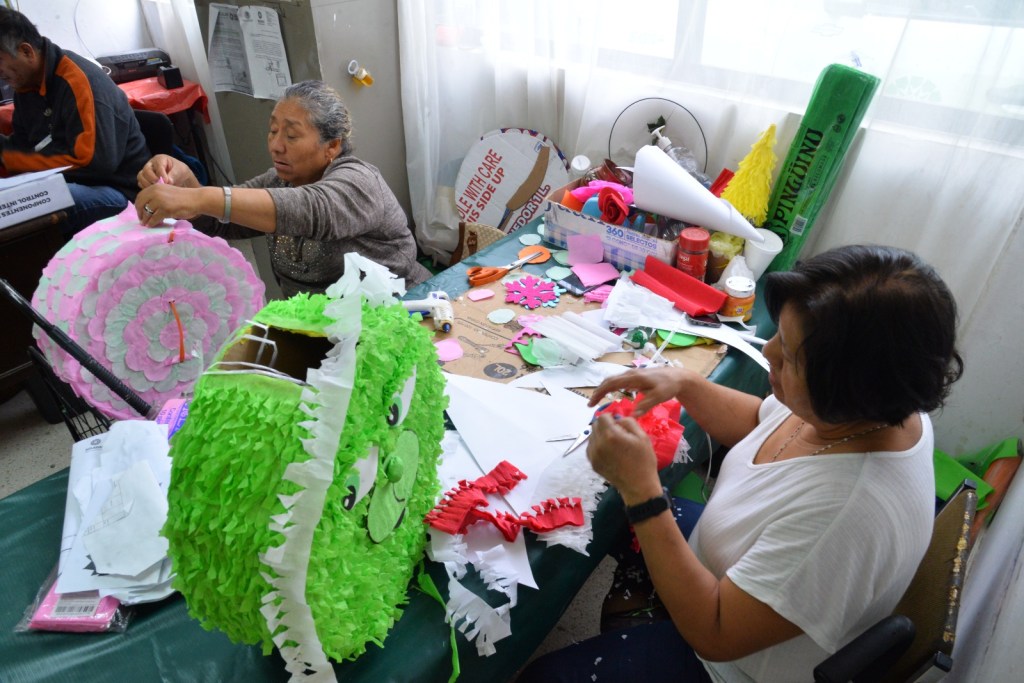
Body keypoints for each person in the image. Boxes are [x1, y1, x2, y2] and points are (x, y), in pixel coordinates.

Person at [520, 244, 964, 682]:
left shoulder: (845, 515)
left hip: (725, 663)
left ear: (845, 391)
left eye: (788, 355)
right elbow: (760, 420)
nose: (767, 351)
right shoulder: (880, 404)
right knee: (610, 513)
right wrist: (687, 383)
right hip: (736, 569)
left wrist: (642, 490)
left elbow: (715, 634)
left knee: (544, 677)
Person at [135, 79, 432, 297]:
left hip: (401, 311)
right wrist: (187, 182)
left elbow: (311, 209)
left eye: (291, 135)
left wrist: (198, 197)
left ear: (332, 146)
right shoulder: (277, 181)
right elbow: (220, 221)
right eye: (273, 130)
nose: (276, 146)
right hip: (321, 330)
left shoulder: (359, 182)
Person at [0, 7, 149, 235]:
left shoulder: (79, 81)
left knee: (37, 206)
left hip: (120, 190)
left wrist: (29, 171)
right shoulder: (26, 84)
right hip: (72, 183)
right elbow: (23, 145)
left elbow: (96, 162)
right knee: (17, 204)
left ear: (26, 51)